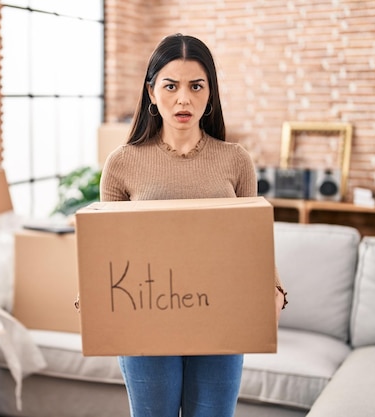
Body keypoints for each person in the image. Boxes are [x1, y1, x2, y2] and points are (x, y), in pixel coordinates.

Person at [99, 33, 287, 417]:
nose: (183, 99)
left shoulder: (236, 161)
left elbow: (253, 242)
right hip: (145, 323)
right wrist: (94, 300)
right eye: (171, 86)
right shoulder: (121, 164)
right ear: (152, 93)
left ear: (211, 93)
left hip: (222, 318)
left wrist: (276, 289)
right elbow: (107, 251)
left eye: (196, 86)